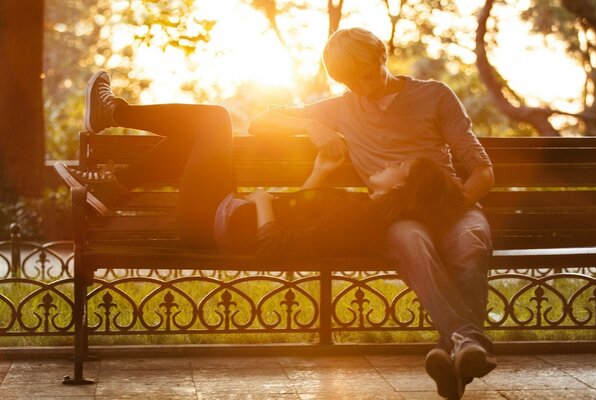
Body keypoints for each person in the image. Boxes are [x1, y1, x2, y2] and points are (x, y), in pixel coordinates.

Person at [248, 27, 496, 399]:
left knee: (470, 242)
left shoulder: (434, 95)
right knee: (411, 238)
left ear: (383, 56)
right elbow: (260, 122)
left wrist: (452, 205)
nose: (360, 87)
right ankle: (468, 345)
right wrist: (312, 125)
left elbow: (483, 171)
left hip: (455, 206)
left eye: (365, 74)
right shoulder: (339, 107)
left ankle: (459, 352)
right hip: (395, 215)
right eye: (349, 81)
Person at [64, 72, 467, 262]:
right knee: (201, 132)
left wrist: (262, 205)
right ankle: (115, 183)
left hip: (209, 223)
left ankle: (114, 114)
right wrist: (322, 172)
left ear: (400, 188)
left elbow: (278, 248)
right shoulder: (362, 212)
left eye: (399, 166)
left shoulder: (358, 219)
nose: (391, 163)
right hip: (224, 211)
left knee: (215, 120)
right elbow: (302, 215)